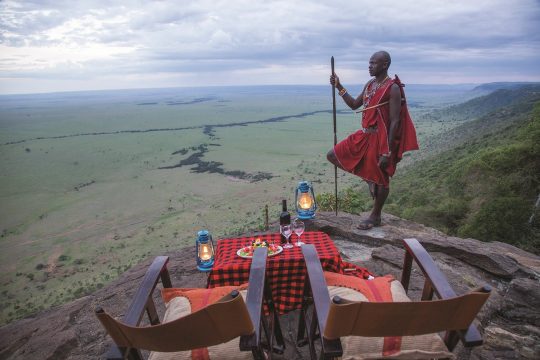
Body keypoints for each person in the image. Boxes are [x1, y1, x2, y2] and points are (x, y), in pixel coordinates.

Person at [328, 51, 418, 229]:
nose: (369, 66)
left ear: (385, 65)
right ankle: (369, 180)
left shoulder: (392, 88)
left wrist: (388, 151)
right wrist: (339, 86)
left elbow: (395, 121)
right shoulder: (370, 84)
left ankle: (375, 216)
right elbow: (354, 104)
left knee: (381, 177)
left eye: (373, 63)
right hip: (365, 135)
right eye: (369, 63)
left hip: (381, 138)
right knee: (333, 155)